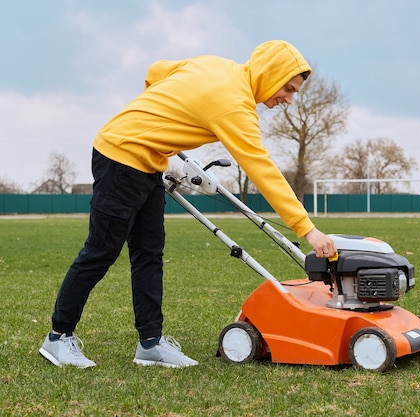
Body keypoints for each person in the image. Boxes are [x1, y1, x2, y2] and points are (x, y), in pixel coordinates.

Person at [39, 40, 337, 368]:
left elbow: (156, 71)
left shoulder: (218, 65)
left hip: (148, 163)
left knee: (149, 254)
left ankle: (150, 344)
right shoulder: (235, 105)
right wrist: (308, 231)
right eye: (288, 88)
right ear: (270, 74)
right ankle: (58, 337)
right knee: (101, 250)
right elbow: (263, 170)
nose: (289, 99)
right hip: (120, 154)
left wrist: (160, 133)